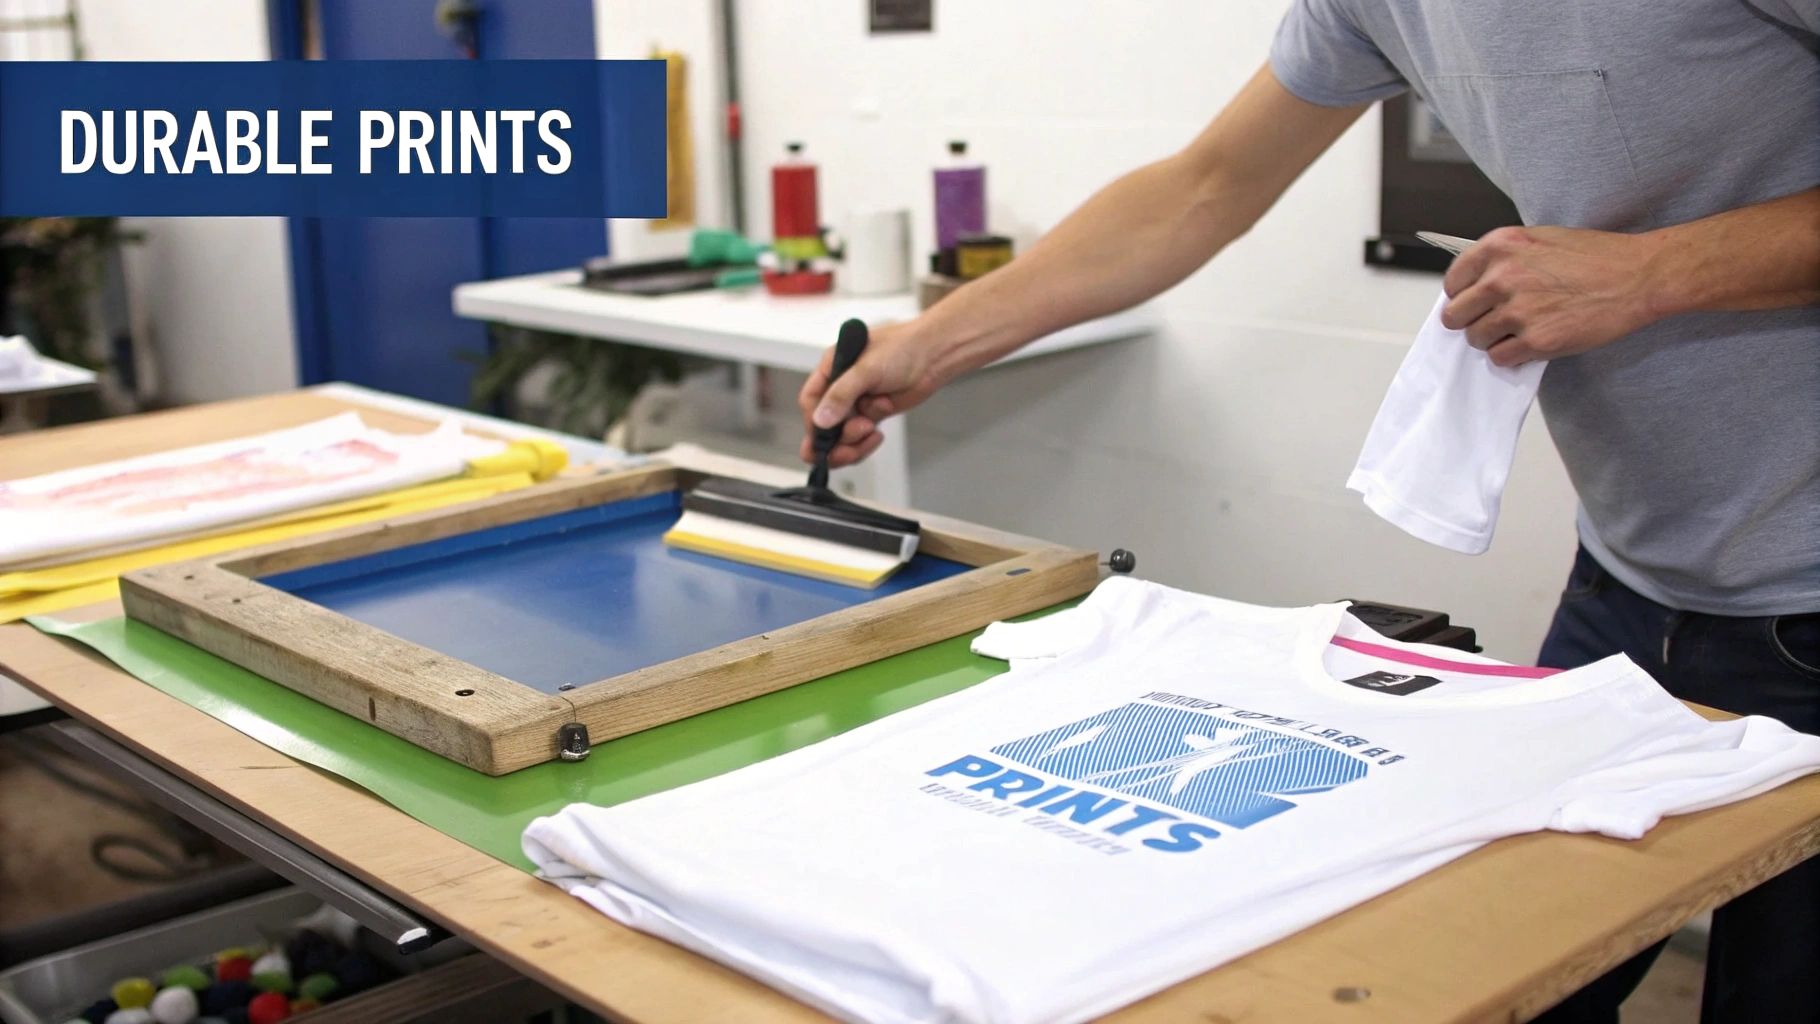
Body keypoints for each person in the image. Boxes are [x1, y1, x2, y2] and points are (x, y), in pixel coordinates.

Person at [795, 3, 1820, 1021]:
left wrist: (1647, 272)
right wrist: (933, 339)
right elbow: (1204, 187)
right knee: (1515, 978)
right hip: (1629, 581)